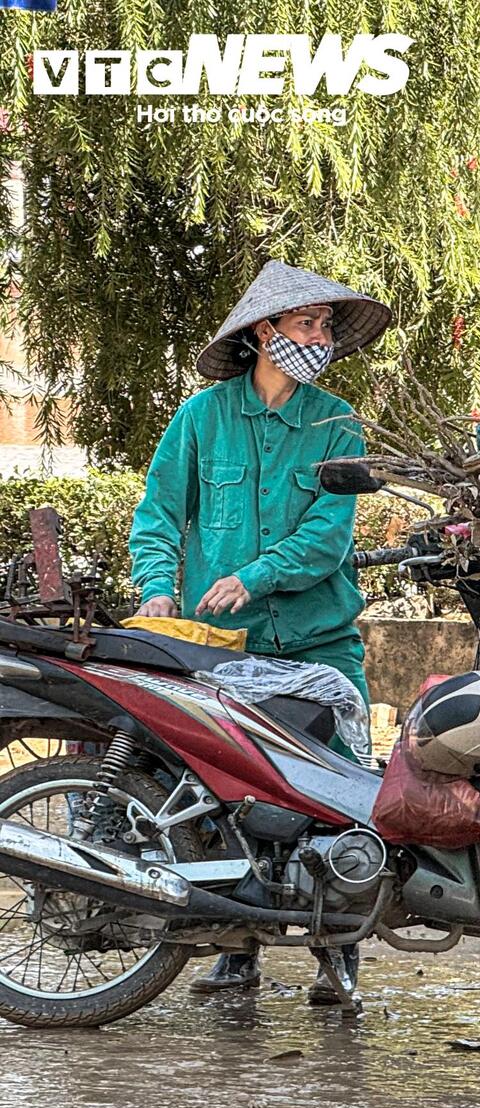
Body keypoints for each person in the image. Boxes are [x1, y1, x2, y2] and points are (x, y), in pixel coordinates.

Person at [128, 260, 391, 1007]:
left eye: (325, 327)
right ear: (263, 333)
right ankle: (235, 949)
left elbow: (327, 538)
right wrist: (156, 589)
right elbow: (158, 517)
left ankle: (337, 955)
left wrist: (255, 574)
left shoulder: (337, 421)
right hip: (220, 647)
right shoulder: (200, 419)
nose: (319, 337)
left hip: (318, 642)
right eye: (306, 324)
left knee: (339, 798)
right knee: (216, 795)